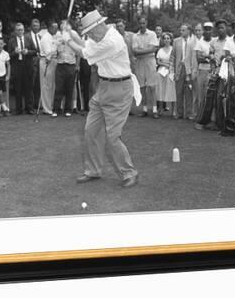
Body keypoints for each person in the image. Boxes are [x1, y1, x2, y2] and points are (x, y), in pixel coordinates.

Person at [60, 10, 140, 188]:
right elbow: (87, 45)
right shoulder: (100, 36)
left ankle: (129, 173)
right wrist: (70, 32)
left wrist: (67, 40)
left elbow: (85, 53)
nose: (88, 35)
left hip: (120, 90)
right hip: (104, 87)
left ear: (99, 26)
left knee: (112, 136)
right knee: (91, 130)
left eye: (89, 32)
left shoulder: (113, 41)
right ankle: (93, 170)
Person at [195, 19, 228, 130]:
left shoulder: (229, 41)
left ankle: (221, 124)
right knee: (210, 97)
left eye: (222, 27)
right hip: (214, 72)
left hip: (225, 73)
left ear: (226, 28)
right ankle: (207, 121)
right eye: (218, 28)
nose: (220, 30)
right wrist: (212, 58)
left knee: (220, 97)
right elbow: (210, 55)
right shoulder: (214, 42)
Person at [132, 16, 159, 118]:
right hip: (140, 62)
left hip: (150, 61)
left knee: (152, 86)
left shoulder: (152, 34)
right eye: (140, 23)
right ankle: (144, 109)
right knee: (142, 86)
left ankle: (154, 109)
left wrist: (141, 51)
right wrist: (148, 50)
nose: (142, 25)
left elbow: (154, 49)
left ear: (146, 23)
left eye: (143, 23)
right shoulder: (135, 36)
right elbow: (134, 51)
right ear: (138, 24)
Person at [53, 20, 78, 117]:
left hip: (71, 64)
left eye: (65, 24)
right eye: (62, 25)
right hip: (60, 64)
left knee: (69, 88)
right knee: (59, 87)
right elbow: (55, 48)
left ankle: (68, 109)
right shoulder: (58, 35)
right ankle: (56, 109)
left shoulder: (74, 34)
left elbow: (78, 48)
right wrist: (59, 43)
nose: (63, 26)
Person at [8, 23, 35, 114]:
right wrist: (15, 53)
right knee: (18, 89)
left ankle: (29, 108)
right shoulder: (11, 41)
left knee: (28, 88)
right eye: (18, 30)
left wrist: (28, 52)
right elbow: (8, 55)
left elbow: (35, 51)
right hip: (17, 66)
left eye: (22, 29)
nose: (20, 31)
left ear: (24, 30)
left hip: (27, 66)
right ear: (15, 31)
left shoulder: (29, 39)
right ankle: (18, 109)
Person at [170, 24, 195, 119]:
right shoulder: (176, 41)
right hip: (179, 69)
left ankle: (189, 113)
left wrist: (193, 70)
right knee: (179, 91)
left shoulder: (194, 41)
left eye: (183, 30)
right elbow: (172, 56)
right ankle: (179, 113)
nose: (181, 32)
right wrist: (172, 71)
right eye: (181, 30)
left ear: (188, 31)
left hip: (189, 69)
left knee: (189, 91)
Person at [38, 21, 58, 115]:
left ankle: (50, 105)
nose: (56, 29)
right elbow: (48, 53)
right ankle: (46, 108)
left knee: (51, 85)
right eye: (55, 27)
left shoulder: (52, 37)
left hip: (53, 61)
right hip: (46, 62)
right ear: (50, 28)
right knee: (46, 85)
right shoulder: (46, 38)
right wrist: (56, 49)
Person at [193, 22, 213, 116]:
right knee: (201, 95)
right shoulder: (200, 42)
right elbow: (198, 59)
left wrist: (205, 56)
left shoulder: (214, 41)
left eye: (210, 29)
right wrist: (209, 57)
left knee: (211, 94)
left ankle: (210, 117)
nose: (208, 31)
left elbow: (216, 56)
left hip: (213, 71)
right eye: (206, 29)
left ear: (212, 30)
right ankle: (200, 116)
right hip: (202, 71)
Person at [156, 33, 176, 115]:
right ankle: (160, 109)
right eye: (165, 38)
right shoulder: (160, 50)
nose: (166, 40)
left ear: (171, 40)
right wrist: (165, 64)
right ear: (163, 40)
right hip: (161, 72)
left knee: (172, 91)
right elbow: (158, 61)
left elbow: (174, 60)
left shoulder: (173, 49)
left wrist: (167, 64)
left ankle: (174, 111)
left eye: (168, 38)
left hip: (171, 71)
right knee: (160, 90)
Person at [28, 18, 42, 111]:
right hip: (31, 63)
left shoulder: (41, 37)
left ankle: (37, 104)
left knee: (38, 85)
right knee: (31, 85)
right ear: (31, 26)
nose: (36, 27)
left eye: (37, 25)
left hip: (40, 63)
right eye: (34, 25)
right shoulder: (27, 36)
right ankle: (30, 105)